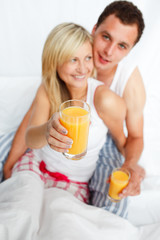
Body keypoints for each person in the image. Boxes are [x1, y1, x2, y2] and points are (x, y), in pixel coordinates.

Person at [3, 1, 146, 217]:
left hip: (103, 139)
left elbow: (131, 137)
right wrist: (10, 166)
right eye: (106, 37)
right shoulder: (72, 55)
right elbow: (33, 119)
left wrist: (131, 165)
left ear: (130, 51)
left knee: (110, 191)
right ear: (94, 30)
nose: (108, 51)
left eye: (122, 46)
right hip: (49, 142)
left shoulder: (128, 85)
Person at [7, 22, 126, 204]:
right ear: (55, 62)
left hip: (73, 183)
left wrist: (130, 167)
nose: (82, 68)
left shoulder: (103, 99)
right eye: (73, 59)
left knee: (62, 227)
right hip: (35, 167)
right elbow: (30, 138)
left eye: (87, 58)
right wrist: (47, 130)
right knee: (19, 213)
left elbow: (122, 140)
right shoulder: (48, 89)